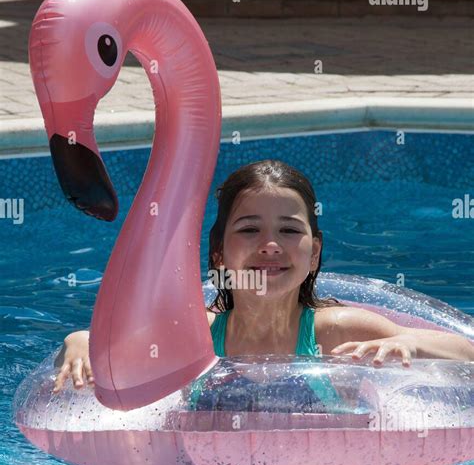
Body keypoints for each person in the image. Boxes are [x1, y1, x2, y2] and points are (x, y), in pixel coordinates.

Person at [53, 159, 474, 396]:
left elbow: (466, 354)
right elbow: (106, 345)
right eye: (249, 229)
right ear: (218, 253)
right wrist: (80, 342)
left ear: (314, 254)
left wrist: (409, 341)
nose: (270, 246)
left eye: (290, 231)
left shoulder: (333, 332)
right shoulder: (194, 334)